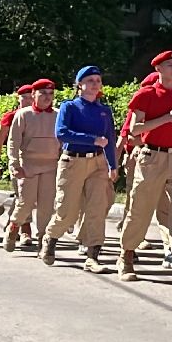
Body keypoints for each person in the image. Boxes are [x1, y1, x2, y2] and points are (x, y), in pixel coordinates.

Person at [118, 51, 172, 288]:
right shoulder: (145, 95)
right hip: (151, 156)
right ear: (158, 69)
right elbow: (135, 130)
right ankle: (127, 255)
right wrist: (167, 118)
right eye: (170, 65)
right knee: (141, 208)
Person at [41, 66, 118, 269]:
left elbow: (109, 139)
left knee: (96, 209)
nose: (95, 84)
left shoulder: (103, 111)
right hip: (72, 161)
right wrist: (92, 140)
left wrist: (113, 165)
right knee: (66, 210)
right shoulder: (70, 107)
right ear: (80, 85)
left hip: (98, 164)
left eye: (98, 80)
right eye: (90, 80)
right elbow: (62, 133)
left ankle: (92, 256)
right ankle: (50, 238)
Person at [4, 79, 61, 255]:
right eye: (43, 93)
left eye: (50, 94)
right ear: (34, 95)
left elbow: (64, 140)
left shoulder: (58, 114)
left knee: (46, 206)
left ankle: (43, 242)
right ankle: (13, 227)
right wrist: (14, 164)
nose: (47, 97)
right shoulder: (24, 114)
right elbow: (13, 142)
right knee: (25, 203)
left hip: (51, 166)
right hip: (28, 165)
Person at [0, 85, 34, 235]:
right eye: (25, 97)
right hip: (17, 161)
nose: (29, 100)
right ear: (18, 98)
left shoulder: (39, 116)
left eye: (31, 97)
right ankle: (25, 229)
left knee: (22, 195)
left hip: (35, 161)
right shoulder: (10, 117)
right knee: (23, 194)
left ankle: (13, 224)